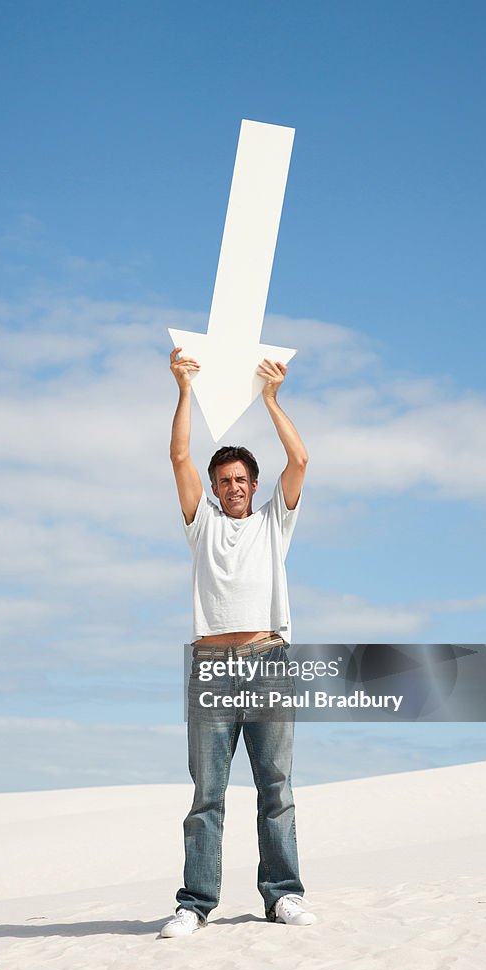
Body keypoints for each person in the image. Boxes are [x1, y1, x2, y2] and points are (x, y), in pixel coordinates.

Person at [160, 346, 316, 937]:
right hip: (209, 667)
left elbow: (300, 457)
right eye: (223, 480)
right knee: (208, 795)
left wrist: (271, 399)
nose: (232, 488)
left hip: (268, 661)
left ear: (254, 485)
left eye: (241, 480)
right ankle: (195, 903)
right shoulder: (201, 526)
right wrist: (183, 389)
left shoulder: (275, 522)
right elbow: (178, 455)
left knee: (276, 787)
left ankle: (283, 895)